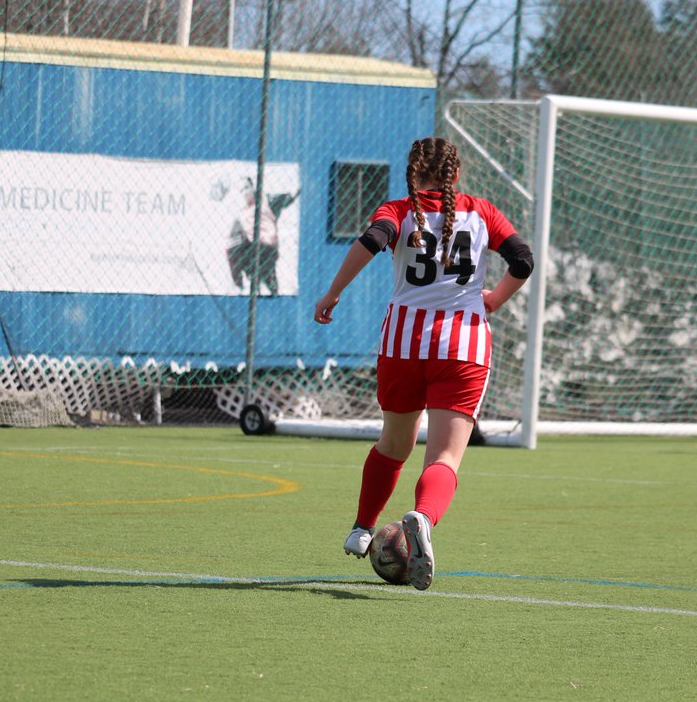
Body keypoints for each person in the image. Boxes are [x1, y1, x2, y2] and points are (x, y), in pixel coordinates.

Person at [313, 137, 533, 591]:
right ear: (456, 175)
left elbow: (371, 241)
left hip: (402, 344)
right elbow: (523, 260)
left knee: (393, 444)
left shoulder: (397, 210)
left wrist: (334, 292)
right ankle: (423, 516)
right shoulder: (482, 212)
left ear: (412, 174)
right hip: (463, 346)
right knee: (445, 456)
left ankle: (361, 528)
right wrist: (493, 298)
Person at [227, 178, 280, 296]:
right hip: (250, 248)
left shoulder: (265, 201)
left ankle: (261, 281)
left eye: (246, 188)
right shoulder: (242, 213)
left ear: (253, 187)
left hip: (266, 246)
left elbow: (290, 195)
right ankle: (241, 284)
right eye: (241, 190)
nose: (245, 192)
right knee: (232, 241)